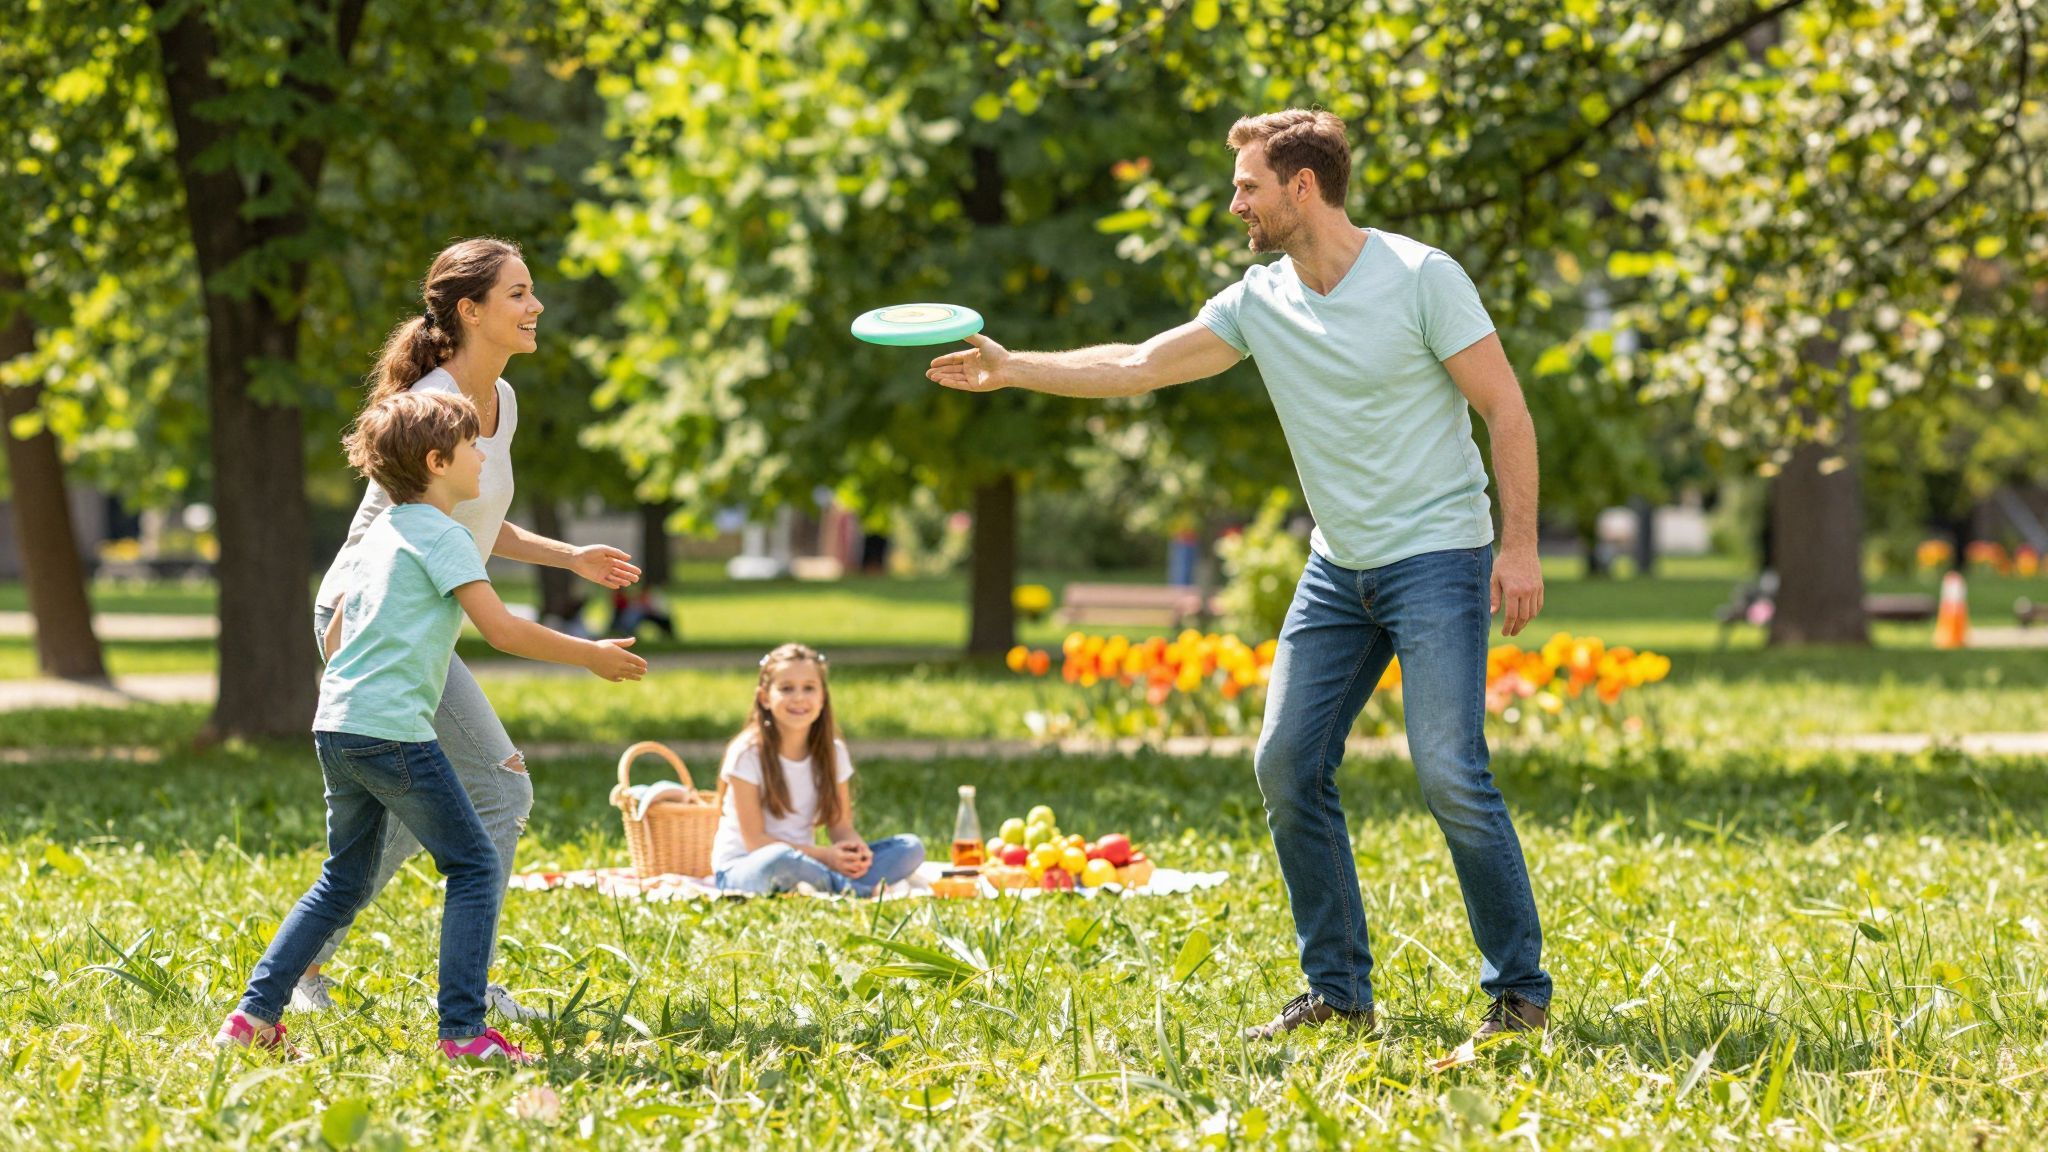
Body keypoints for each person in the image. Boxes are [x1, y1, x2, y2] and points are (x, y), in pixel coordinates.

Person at [927, 109, 1551, 1042]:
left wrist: (1519, 546)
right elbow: (1139, 363)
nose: (1235, 205)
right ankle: (1339, 990)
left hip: (1437, 556)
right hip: (1340, 568)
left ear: (1303, 187)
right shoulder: (1261, 300)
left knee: (1450, 772)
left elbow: (1505, 409)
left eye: (1248, 186)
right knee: (1287, 764)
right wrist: (1016, 368)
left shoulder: (1424, 278)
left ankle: (1518, 991)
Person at [213, 392, 646, 1063]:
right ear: (438, 461)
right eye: (473, 447)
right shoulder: (443, 535)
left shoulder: (380, 533)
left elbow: (335, 628)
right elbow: (500, 630)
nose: (483, 457)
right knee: (473, 864)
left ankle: (252, 1017)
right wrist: (590, 653)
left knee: (342, 880)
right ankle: (465, 1033)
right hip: (394, 733)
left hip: (337, 725)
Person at [297, 238, 643, 1022]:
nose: (536, 307)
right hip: (367, 614)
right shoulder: (429, 403)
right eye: (518, 293)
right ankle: (464, 995)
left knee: (430, 801)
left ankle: (302, 964)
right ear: (470, 310)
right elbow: (395, 538)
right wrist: (352, 646)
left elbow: (473, 513)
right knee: (497, 784)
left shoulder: (502, 400)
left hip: (421, 612)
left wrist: (571, 557)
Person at [709, 643, 923, 896]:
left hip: (811, 863)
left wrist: (855, 851)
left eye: (809, 688)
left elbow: (840, 827)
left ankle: (836, 884)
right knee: (779, 859)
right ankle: (853, 891)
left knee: (911, 848)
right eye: (786, 688)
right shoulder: (746, 753)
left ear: (822, 697)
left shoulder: (833, 752)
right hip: (745, 867)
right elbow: (755, 842)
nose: (799, 697)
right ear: (765, 697)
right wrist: (825, 857)